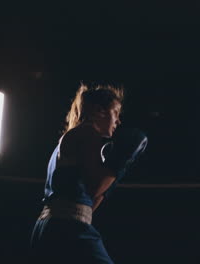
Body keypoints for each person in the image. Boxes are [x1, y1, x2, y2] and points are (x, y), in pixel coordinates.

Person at [30, 82, 148, 263]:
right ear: (99, 111)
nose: (118, 121)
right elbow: (95, 187)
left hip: (52, 228)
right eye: (115, 113)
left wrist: (113, 179)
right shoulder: (87, 133)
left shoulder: (71, 139)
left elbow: (88, 206)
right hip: (68, 229)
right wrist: (118, 165)